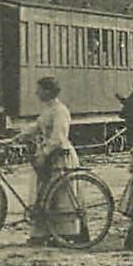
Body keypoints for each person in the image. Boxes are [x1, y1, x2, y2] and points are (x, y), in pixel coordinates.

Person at [17, 76, 79, 243]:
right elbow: (37, 126)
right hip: (49, 155)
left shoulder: (60, 110)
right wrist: (18, 137)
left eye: (39, 89)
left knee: (58, 194)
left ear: (48, 91)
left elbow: (58, 138)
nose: (36, 92)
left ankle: (65, 234)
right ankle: (42, 233)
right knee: (43, 193)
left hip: (58, 156)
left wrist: (44, 153)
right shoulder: (48, 109)